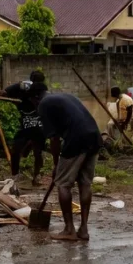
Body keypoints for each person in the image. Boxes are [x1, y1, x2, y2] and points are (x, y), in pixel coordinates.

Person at [31, 89, 102, 242]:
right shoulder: (64, 96)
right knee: (85, 183)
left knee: (63, 184)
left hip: (77, 139)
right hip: (94, 136)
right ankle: (83, 230)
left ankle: (69, 230)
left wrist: (56, 164)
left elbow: (54, 139)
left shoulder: (43, 105)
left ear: (35, 99)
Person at [3, 73, 49, 184]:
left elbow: (5, 92)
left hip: (36, 127)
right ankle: (18, 174)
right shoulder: (24, 89)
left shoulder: (41, 92)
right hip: (29, 127)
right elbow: (5, 92)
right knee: (20, 150)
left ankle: (35, 175)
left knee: (37, 151)